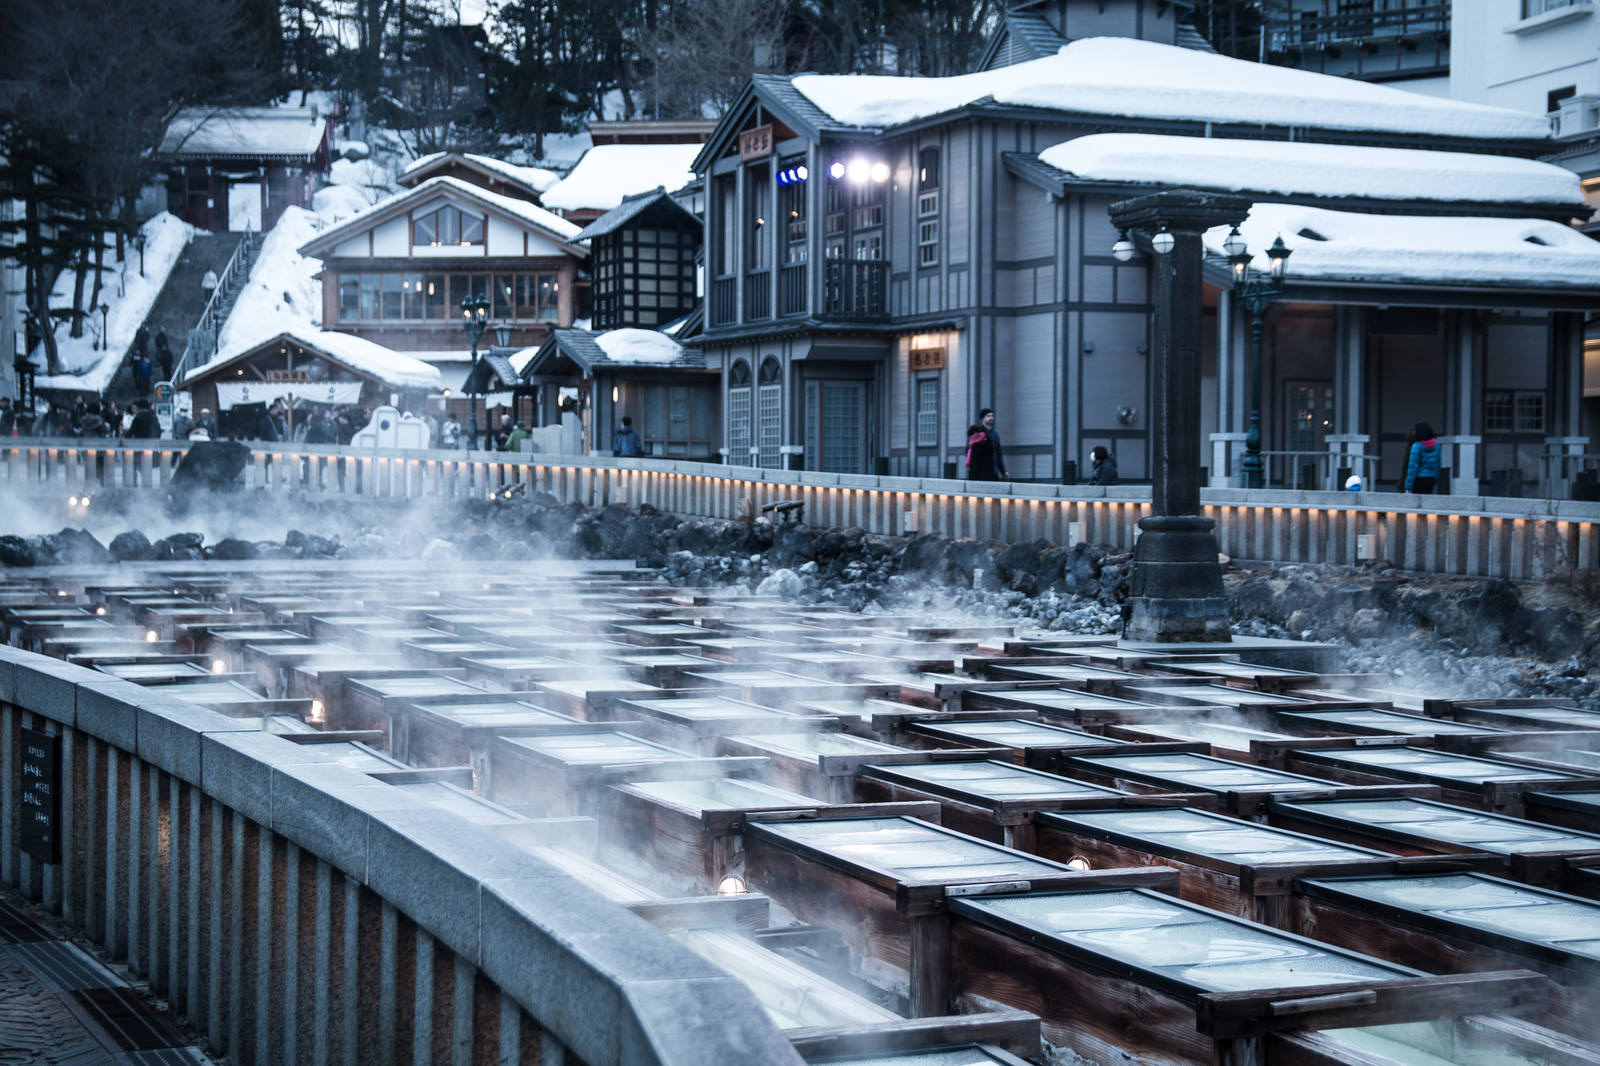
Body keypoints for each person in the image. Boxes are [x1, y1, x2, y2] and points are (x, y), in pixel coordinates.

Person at [965, 407, 1008, 481]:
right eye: (988, 416)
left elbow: (999, 455)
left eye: (992, 416)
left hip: (994, 472)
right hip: (980, 472)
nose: (991, 418)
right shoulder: (977, 433)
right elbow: (969, 452)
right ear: (982, 419)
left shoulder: (995, 435)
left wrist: (1003, 471)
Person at [1404, 421, 1441, 494]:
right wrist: (1436, 478)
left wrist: (1408, 486)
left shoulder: (1417, 446)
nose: (1414, 432)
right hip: (1431, 479)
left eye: (1415, 430)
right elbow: (1438, 464)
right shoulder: (1436, 445)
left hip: (1419, 479)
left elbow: (1412, 467)